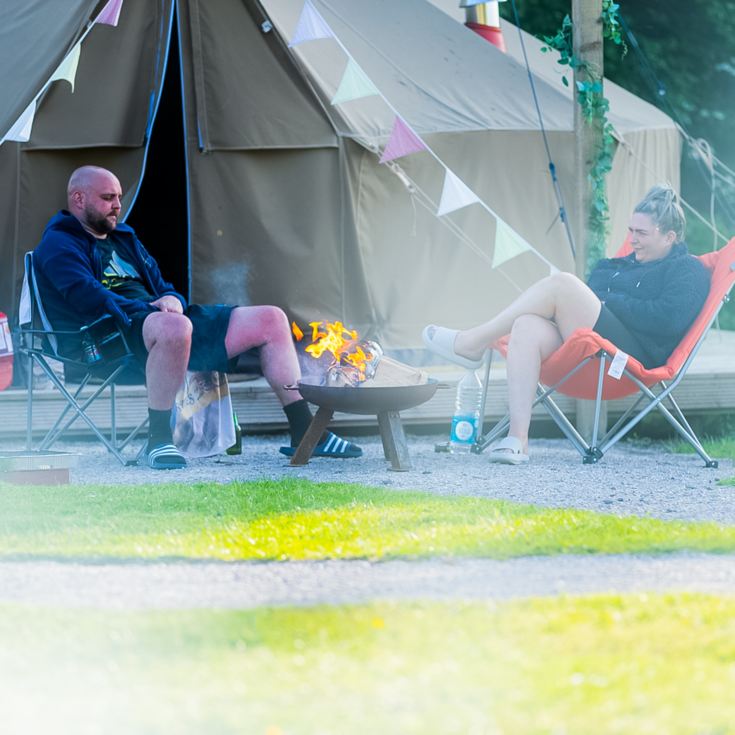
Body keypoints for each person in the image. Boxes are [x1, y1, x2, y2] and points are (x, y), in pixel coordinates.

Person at [33, 165, 362, 469]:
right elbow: (86, 295)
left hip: (164, 325)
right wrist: (150, 310)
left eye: (119, 197)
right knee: (175, 326)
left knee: (272, 319)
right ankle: (159, 440)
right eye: (108, 198)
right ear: (78, 198)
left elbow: (165, 287)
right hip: (109, 335)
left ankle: (306, 432)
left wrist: (172, 299)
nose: (117, 204)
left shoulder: (124, 239)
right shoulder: (59, 243)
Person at [423, 184, 710, 464]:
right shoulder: (618, 265)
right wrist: (611, 301)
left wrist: (612, 302)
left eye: (642, 233)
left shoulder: (688, 270)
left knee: (563, 283)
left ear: (670, 236)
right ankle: (518, 439)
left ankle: (472, 342)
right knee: (525, 325)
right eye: (631, 231)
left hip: (630, 358)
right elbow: (596, 288)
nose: (632, 239)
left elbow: (665, 319)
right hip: (592, 347)